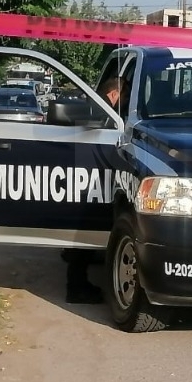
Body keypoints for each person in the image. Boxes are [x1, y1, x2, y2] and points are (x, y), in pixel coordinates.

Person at [62, 77, 125, 304]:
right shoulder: (101, 111)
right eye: (123, 96)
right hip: (90, 176)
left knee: (85, 232)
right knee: (86, 229)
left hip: (89, 174)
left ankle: (76, 278)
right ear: (114, 94)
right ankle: (76, 288)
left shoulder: (97, 106)